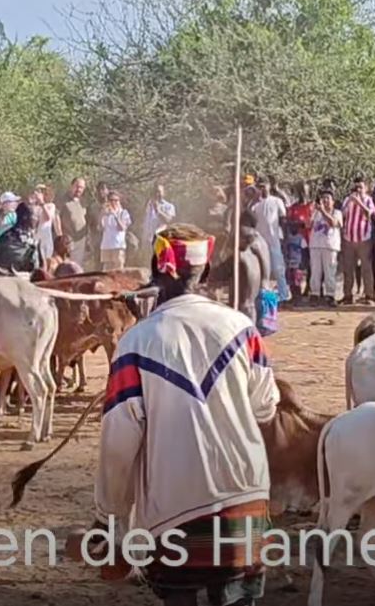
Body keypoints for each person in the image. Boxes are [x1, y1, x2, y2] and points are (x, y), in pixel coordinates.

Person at [91, 223, 277, 606]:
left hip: (174, 511)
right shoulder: (243, 328)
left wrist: (110, 516)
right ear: (205, 272)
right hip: (246, 499)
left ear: (156, 272)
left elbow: (118, 443)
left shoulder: (136, 342)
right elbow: (265, 406)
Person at [338, 177, 375, 304]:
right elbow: (342, 215)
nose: (358, 190)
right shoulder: (347, 200)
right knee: (348, 268)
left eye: (360, 187)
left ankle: (369, 295)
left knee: (366, 268)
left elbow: (370, 214)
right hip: (348, 238)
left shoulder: (368, 200)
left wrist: (359, 202)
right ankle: (347, 295)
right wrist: (350, 202)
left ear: (366, 188)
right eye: (356, 187)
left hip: (364, 238)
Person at [250, 179, 290, 302]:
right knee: (260, 270)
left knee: (278, 269)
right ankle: (261, 294)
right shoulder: (255, 204)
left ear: (269, 186)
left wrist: (284, 238)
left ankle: (284, 295)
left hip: (274, 240)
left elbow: (283, 219)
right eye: (260, 186)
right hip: (259, 241)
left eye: (264, 186)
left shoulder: (276, 201)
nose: (262, 189)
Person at [308, 189, 343, 306]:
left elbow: (334, 223)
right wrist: (312, 210)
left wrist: (322, 210)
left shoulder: (337, 212)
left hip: (330, 245)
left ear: (333, 201)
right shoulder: (316, 212)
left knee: (330, 272)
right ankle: (315, 294)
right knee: (315, 271)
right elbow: (308, 224)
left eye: (328, 198)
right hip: (315, 245)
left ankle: (330, 295)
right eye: (323, 198)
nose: (325, 200)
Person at [0, 202, 46, 274]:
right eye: (34, 216)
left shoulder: (33, 239)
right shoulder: (8, 239)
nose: (37, 219)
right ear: (25, 217)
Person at [284, 183, 313, 300]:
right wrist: (299, 224)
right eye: (300, 191)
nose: (303, 194)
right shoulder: (293, 208)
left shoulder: (312, 207)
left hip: (311, 241)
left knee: (311, 267)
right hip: (296, 242)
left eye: (304, 191)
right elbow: (287, 222)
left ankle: (309, 289)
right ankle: (296, 291)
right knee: (296, 268)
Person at [60, 177, 90, 267]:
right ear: (71, 186)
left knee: (78, 266)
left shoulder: (84, 202)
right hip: (68, 240)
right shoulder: (63, 200)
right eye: (77, 186)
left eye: (81, 187)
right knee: (67, 267)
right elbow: (56, 218)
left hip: (81, 240)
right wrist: (60, 236)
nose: (79, 189)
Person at [98, 192, 131, 272]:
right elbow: (100, 228)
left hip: (118, 246)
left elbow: (122, 228)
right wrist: (101, 215)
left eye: (116, 200)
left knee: (118, 270)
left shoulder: (123, 212)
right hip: (106, 246)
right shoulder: (106, 214)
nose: (113, 202)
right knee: (106, 270)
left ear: (119, 201)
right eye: (111, 200)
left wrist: (115, 215)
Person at [143, 184, 177, 248]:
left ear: (164, 193)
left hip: (162, 240)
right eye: (155, 192)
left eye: (159, 192)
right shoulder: (149, 205)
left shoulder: (169, 206)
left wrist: (158, 211)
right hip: (148, 241)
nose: (157, 194)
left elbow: (169, 220)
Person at [32, 184, 60, 262]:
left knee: (47, 260)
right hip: (36, 238)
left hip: (46, 238)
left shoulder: (51, 206)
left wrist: (42, 203)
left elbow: (48, 217)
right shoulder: (35, 207)